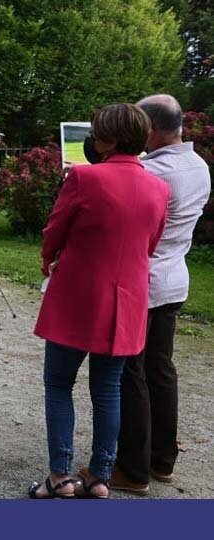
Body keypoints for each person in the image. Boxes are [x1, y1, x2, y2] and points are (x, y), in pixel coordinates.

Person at [28, 103, 170, 499]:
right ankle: (101, 476)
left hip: (77, 294)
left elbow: (56, 228)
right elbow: (151, 244)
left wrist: (47, 258)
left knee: (58, 385)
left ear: (104, 139)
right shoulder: (160, 187)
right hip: (127, 300)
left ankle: (60, 476)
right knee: (108, 389)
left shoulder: (85, 178)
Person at [111, 95, 212, 495]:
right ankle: (162, 459)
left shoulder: (152, 173)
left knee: (130, 373)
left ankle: (132, 469)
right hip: (175, 278)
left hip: (143, 280)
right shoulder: (199, 167)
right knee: (161, 369)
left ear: (149, 130)